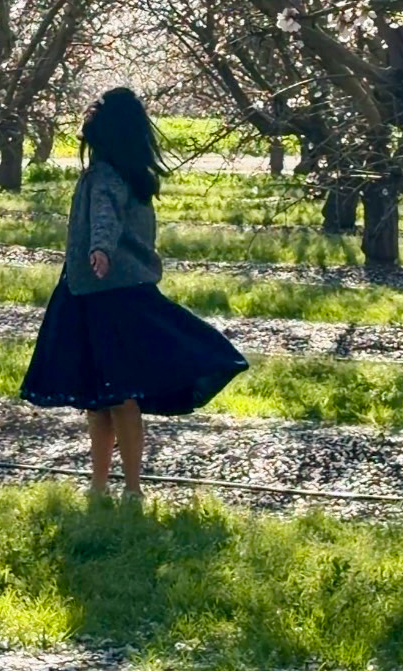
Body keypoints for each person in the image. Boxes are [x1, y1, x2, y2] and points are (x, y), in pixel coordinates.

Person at [20, 86, 248, 499]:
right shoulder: (135, 177)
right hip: (105, 294)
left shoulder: (105, 177)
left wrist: (100, 250)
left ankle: (122, 487)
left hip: (105, 298)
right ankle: (108, 486)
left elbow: (104, 219)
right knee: (108, 399)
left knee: (112, 398)